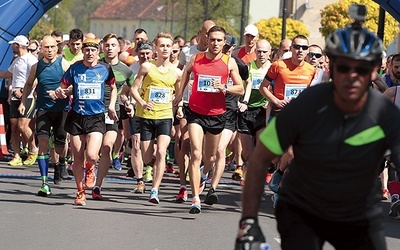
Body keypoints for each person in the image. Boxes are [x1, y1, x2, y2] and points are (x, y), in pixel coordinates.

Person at [235, 19, 398, 250]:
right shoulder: (305, 106)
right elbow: (260, 158)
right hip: (303, 208)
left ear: (374, 71)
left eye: (360, 68)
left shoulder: (384, 114)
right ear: (330, 68)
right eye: (343, 67)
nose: (352, 76)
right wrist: (248, 221)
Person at [174, 26, 244, 213]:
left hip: (216, 114)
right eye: (212, 39)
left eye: (219, 40)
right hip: (195, 112)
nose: (215, 43)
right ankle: (195, 198)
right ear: (206, 39)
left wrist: (224, 87)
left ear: (224, 42)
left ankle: (205, 175)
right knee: (196, 154)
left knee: (210, 157)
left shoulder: (229, 62)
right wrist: (179, 95)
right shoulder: (195, 58)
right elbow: (186, 73)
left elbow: (241, 89)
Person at [55, 38, 117, 206]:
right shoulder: (75, 68)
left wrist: (111, 106)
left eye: (93, 50)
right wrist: (62, 93)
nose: (90, 53)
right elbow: (64, 87)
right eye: (87, 50)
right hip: (76, 116)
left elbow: (113, 87)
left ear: (98, 52)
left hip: (96, 117)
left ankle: (90, 168)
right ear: (83, 52)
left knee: (91, 155)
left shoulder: (105, 69)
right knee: (77, 156)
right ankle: (80, 191)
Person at [131, 32, 182, 204]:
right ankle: (152, 167)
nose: (165, 49)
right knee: (147, 158)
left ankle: (154, 190)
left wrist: (178, 103)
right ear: (156, 48)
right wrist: (142, 103)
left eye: (168, 46)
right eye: (162, 46)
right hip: (146, 116)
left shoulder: (176, 72)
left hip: (165, 116)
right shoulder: (146, 67)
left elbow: (180, 91)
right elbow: (133, 89)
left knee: (161, 152)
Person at [18, 36, 70, 196]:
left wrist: (62, 92)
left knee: (60, 144)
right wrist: (22, 102)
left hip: (61, 109)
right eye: (46, 47)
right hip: (43, 109)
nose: (49, 50)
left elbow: (72, 85)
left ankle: (61, 163)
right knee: (42, 142)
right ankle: (44, 183)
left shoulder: (63, 64)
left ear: (57, 48)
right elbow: (28, 84)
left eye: (52, 47)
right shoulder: (36, 66)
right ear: (41, 48)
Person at [91, 33, 135, 200]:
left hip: (112, 113)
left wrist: (129, 103)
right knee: (92, 153)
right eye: (107, 45)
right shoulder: (94, 64)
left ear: (119, 48)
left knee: (107, 147)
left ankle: (97, 185)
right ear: (102, 47)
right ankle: (90, 169)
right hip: (92, 112)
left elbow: (132, 89)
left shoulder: (126, 70)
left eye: (113, 45)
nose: (109, 48)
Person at [0, 35, 39, 166]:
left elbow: (35, 80)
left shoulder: (31, 59)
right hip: (15, 97)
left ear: (19, 45)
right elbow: (7, 74)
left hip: (27, 96)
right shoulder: (17, 60)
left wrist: (22, 91)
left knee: (23, 126)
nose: (12, 47)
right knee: (14, 127)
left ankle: (34, 149)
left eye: (14, 44)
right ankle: (17, 155)